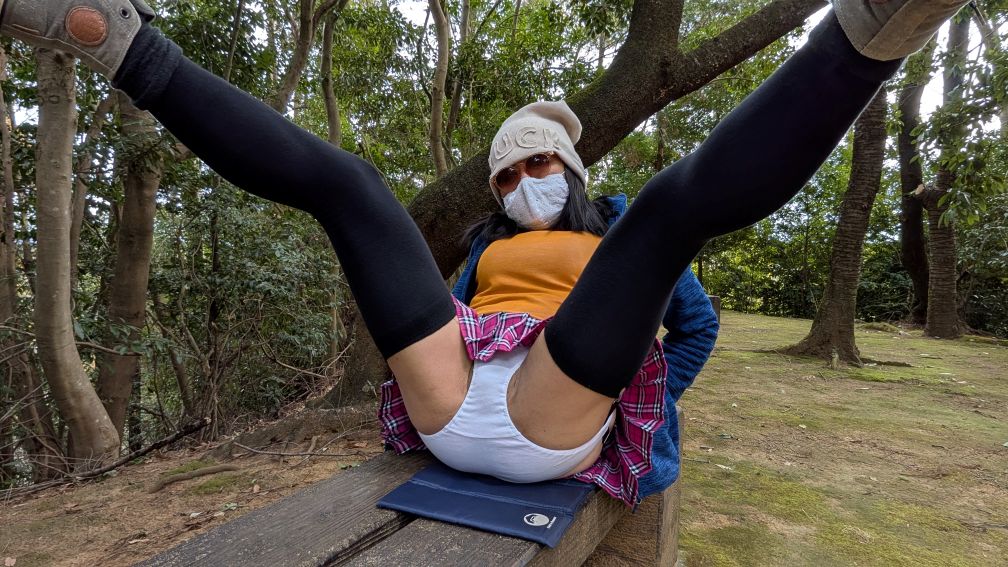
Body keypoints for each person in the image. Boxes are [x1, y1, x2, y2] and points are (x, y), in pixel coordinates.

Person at [0, 0, 972, 507]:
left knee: (667, 215)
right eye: (506, 174)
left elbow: (692, 327)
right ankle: (123, 41)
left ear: (571, 169)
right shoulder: (484, 250)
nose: (521, 182)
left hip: (558, 407)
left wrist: (641, 398)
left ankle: (866, 33)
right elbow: (443, 313)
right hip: (452, 400)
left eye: (539, 164)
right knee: (354, 188)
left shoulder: (607, 229)